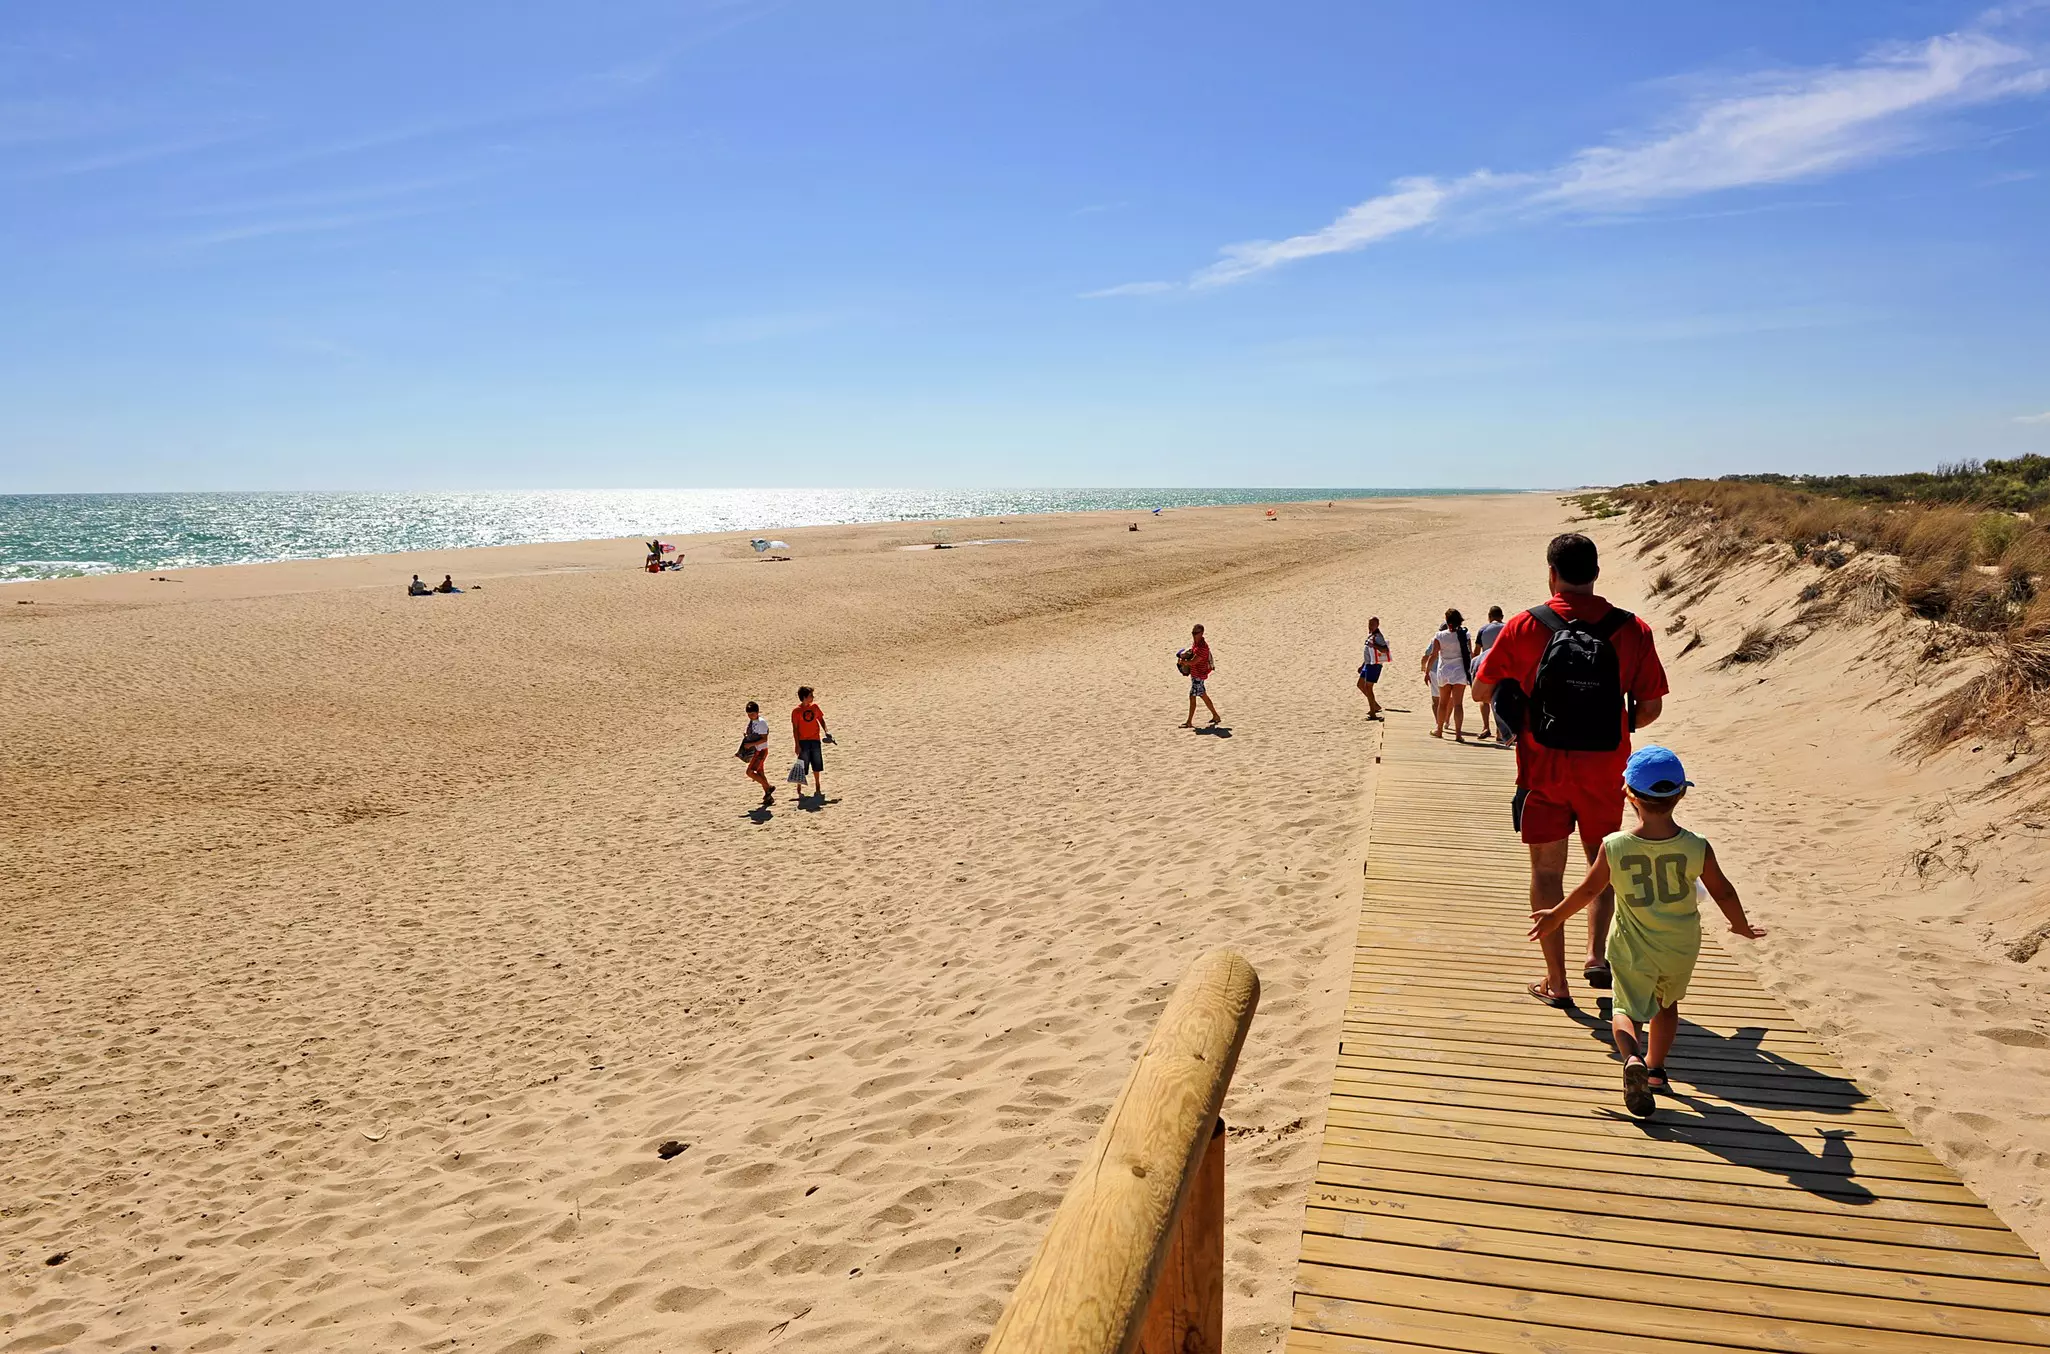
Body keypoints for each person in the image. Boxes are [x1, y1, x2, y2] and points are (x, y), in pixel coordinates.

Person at [1472, 533, 1669, 1009]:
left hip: (1542, 772)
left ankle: (1556, 980)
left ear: (1551, 574)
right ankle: (1595, 956)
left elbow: (1481, 692)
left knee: (1546, 871)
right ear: (1596, 573)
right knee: (1601, 867)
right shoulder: (1633, 629)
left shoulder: (1524, 626)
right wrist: (1613, 724)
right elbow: (1650, 708)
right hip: (1605, 770)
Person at [1529, 746, 1764, 1116]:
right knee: (1666, 1005)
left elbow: (1590, 891)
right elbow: (1723, 890)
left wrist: (1556, 916)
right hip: (1680, 944)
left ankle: (1631, 1059)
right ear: (1681, 794)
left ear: (1628, 793)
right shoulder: (1696, 846)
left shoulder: (1615, 846)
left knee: (1624, 1008)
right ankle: (1655, 1069)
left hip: (1631, 945)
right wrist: (1739, 925)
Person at [1420, 609, 1475, 741]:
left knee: (1443, 703)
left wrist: (1427, 671)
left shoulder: (1440, 635)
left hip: (1444, 671)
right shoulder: (1465, 635)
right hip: (1460, 672)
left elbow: (1434, 655)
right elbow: (1470, 653)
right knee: (1458, 704)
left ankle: (1439, 730)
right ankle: (1458, 734)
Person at [792, 686, 829, 801]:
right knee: (802, 764)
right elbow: (795, 728)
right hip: (803, 741)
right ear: (804, 697)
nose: (812, 697)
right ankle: (799, 787)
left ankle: (817, 785)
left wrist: (826, 731)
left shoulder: (815, 707)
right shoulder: (796, 711)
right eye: (810, 696)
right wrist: (797, 744)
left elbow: (821, 719)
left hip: (815, 739)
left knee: (817, 764)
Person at [1473, 606, 1505, 740]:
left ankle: (1486, 727)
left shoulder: (1483, 629)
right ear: (1502, 617)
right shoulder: (1508, 628)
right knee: (1501, 698)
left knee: (1483, 697)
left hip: (1486, 664)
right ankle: (1499, 731)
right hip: (1503, 666)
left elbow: (1476, 651)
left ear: (1489, 617)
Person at [1181, 624, 1220, 728]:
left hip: (1198, 676)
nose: (1194, 635)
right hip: (1196, 675)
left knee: (1192, 697)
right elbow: (1192, 654)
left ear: (1201, 633)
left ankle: (1189, 722)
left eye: (1196, 633)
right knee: (1203, 696)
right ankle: (1216, 716)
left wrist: (1184, 662)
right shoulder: (1197, 643)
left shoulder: (1202, 647)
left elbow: (1193, 662)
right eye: (1193, 633)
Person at [1356, 618, 1392, 719]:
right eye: (1369, 624)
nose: (1370, 626)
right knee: (1360, 685)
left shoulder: (1378, 636)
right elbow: (1369, 652)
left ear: (1377, 625)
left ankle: (1373, 713)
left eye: (1372, 624)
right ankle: (1375, 706)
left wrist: (1374, 645)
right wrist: (1362, 665)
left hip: (1374, 665)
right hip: (1368, 664)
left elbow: (1385, 650)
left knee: (1368, 687)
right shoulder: (1371, 635)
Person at [741, 701, 774, 807]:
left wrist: (751, 744)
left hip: (761, 751)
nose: (750, 716)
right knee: (760, 773)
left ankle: (768, 787)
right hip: (756, 750)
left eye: (752, 714)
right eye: (749, 714)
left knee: (749, 772)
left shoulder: (761, 722)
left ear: (757, 712)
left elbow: (764, 739)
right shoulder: (752, 722)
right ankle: (768, 797)